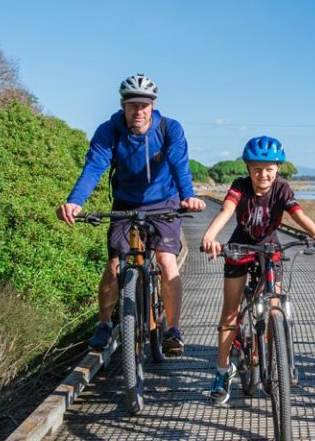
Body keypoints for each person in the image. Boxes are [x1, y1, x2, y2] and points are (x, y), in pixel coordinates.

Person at [56, 73, 206, 355]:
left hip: (164, 202)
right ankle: (103, 324)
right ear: (123, 105)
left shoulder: (169, 128)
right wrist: (75, 201)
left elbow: (178, 162)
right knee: (114, 265)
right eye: (132, 105)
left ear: (153, 104)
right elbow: (94, 166)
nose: (139, 110)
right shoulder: (109, 130)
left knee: (165, 261)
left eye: (144, 104)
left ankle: (172, 330)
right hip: (125, 203)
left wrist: (188, 195)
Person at [200, 135, 315, 405]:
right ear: (248, 168)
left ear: (278, 169)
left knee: (275, 307)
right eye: (257, 169)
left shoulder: (282, 189)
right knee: (231, 310)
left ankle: (275, 364)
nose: (263, 175)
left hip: (270, 249)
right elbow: (226, 210)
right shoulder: (240, 186)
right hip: (239, 247)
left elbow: (298, 213)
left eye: (269, 170)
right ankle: (222, 372)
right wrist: (210, 236)